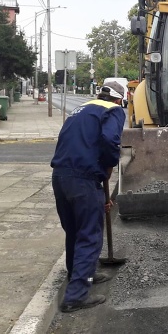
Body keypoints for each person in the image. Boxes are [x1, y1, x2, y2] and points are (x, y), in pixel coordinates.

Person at [50, 82, 127, 312]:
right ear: (118, 100)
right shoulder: (112, 111)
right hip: (84, 179)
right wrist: (109, 166)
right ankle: (75, 296)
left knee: (74, 230)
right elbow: (110, 142)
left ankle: (80, 273)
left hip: (61, 177)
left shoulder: (79, 110)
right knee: (90, 235)